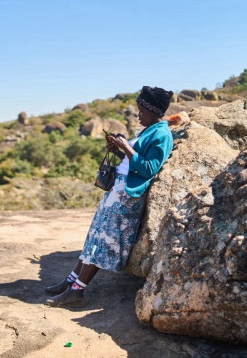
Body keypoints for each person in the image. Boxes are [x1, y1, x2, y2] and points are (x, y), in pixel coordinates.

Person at [45, 86, 175, 308]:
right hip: (117, 191)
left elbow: (149, 168)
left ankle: (77, 290)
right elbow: (131, 161)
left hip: (128, 197)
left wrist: (126, 147)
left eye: (142, 110)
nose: (138, 115)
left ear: (153, 111)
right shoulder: (148, 130)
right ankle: (70, 282)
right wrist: (118, 149)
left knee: (105, 241)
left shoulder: (162, 134)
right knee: (94, 236)